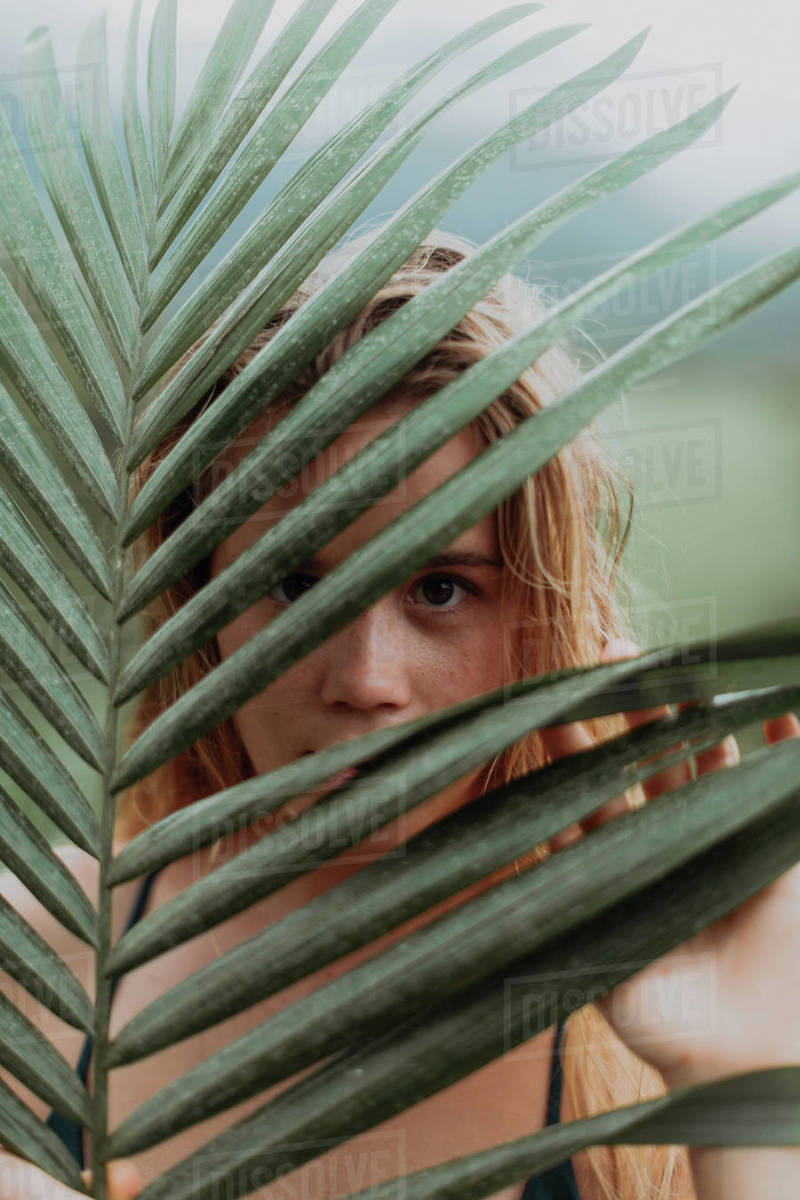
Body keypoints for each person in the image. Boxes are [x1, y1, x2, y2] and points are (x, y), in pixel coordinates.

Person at [1, 226, 798, 1200]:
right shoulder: (38, 965)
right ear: (196, 607)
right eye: (295, 584)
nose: (366, 680)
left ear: (542, 613)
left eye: (438, 588)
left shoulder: (690, 992)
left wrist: (728, 1087)